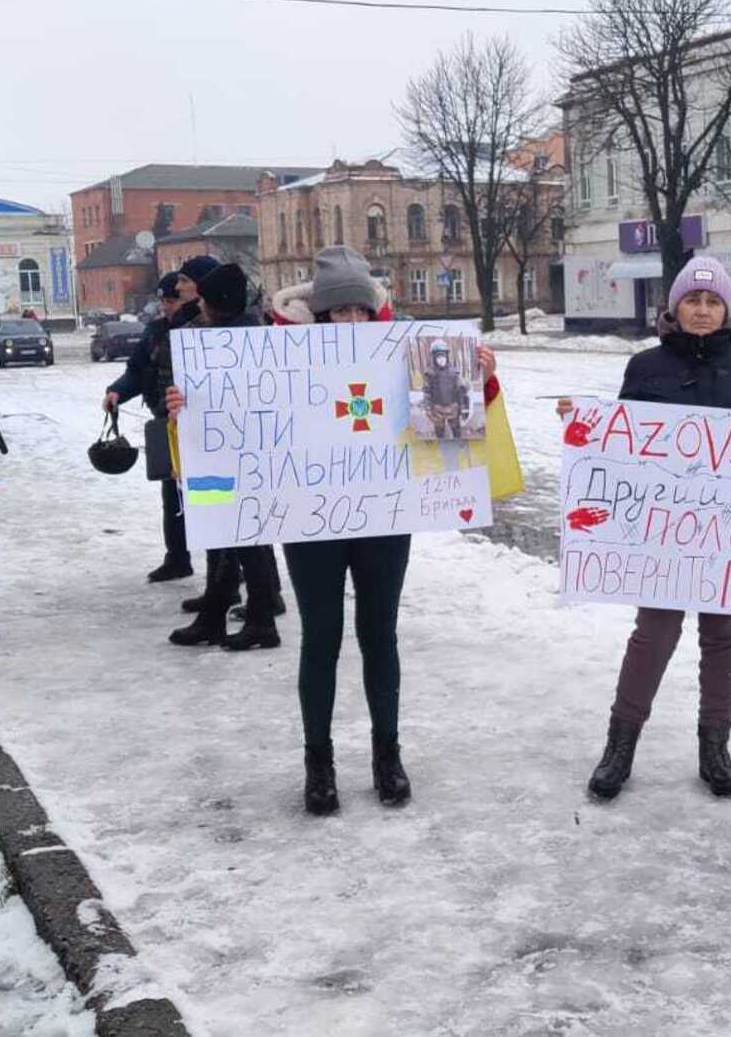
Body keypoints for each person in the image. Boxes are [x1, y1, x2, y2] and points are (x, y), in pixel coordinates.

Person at [170, 246, 499, 814]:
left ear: (374, 313)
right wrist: (189, 407)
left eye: (359, 313)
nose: (350, 323)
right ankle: (318, 762)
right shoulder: (277, 353)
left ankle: (386, 754)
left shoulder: (406, 351)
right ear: (319, 315)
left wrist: (484, 383)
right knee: (320, 638)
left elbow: (454, 424)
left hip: (385, 516)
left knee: (380, 634)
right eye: (338, 313)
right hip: (310, 517)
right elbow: (234, 422)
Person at [564, 256, 731, 803]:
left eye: (713, 302)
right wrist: (582, 427)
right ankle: (621, 744)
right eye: (693, 300)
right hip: (664, 534)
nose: (704, 311)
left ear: (727, 309)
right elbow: (620, 445)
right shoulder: (645, 368)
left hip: (728, 530)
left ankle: (715, 747)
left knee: (722, 635)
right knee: (653, 635)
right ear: (675, 306)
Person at [166, 263, 286, 652]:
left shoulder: (236, 342)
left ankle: (260, 619)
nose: (197, 304)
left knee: (247, 539)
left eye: (202, 298)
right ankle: (218, 613)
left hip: (242, 456)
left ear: (218, 303)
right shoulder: (220, 336)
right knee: (222, 535)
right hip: (217, 454)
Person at [105, 268, 202, 584]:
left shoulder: (201, 327)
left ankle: (233, 566)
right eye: (163, 301)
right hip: (165, 424)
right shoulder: (155, 332)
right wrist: (117, 391)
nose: (165, 307)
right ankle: (177, 557)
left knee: (213, 495)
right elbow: (137, 371)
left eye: (172, 300)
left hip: (202, 426)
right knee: (171, 494)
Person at [421, 340, 467, 439]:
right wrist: (427, 408)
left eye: (443, 356)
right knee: (439, 432)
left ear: (447, 356)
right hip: (437, 409)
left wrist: (462, 407)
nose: (441, 359)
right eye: (438, 357)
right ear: (434, 358)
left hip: (453, 407)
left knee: (456, 431)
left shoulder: (454, 372)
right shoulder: (429, 373)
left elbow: (460, 391)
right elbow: (426, 392)